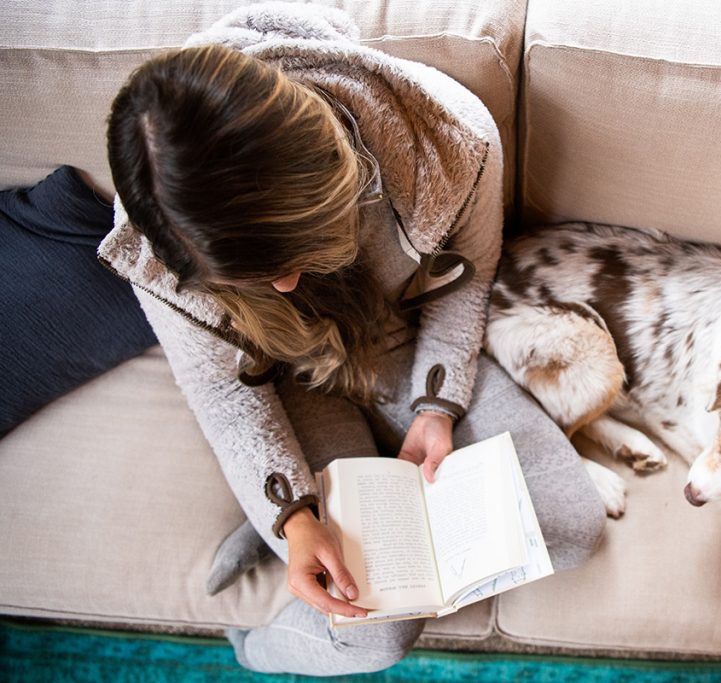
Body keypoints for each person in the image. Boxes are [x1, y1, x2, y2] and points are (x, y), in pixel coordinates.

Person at [99, 4, 605, 676]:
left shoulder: (451, 141)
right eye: (253, 274)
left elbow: (469, 277)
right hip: (285, 377)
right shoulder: (155, 227)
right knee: (376, 632)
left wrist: (437, 406)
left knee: (573, 523)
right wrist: (293, 516)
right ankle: (255, 649)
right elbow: (222, 385)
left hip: (405, 342)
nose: (282, 287)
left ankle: (295, 508)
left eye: (294, 254)